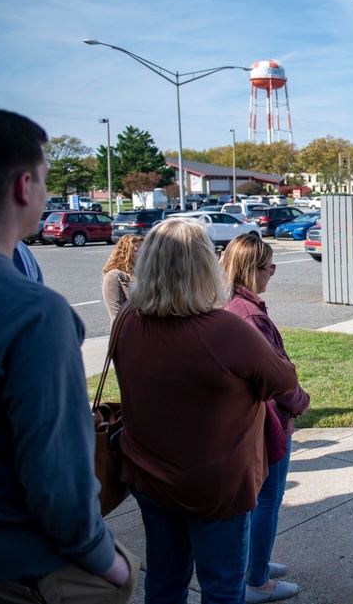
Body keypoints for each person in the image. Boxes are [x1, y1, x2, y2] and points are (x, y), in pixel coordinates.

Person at [0, 107, 138, 602]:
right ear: (24, 187)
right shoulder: (33, 314)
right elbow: (57, 473)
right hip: (15, 565)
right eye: (45, 180)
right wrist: (104, 559)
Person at [113, 218, 299, 603]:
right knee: (221, 587)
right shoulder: (224, 329)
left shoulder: (127, 320)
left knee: (164, 580)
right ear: (203, 267)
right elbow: (283, 379)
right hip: (214, 487)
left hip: (148, 475)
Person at [221, 233, 311, 603]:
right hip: (270, 421)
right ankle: (257, 580)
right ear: (251, 270)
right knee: (266, 500)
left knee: (257, 501)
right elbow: (274, 378)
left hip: (253, 419)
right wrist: (301, 400)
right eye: (269, 267)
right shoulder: (250, 315)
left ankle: (254, 563)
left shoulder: (234, 306)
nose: (272, 273)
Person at [101, 234, 143, 323]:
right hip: (128, 331)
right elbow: (116, 315)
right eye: (138, 251)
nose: (143, 255)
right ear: (126, 254)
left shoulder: (145, 275)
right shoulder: (114, 276)